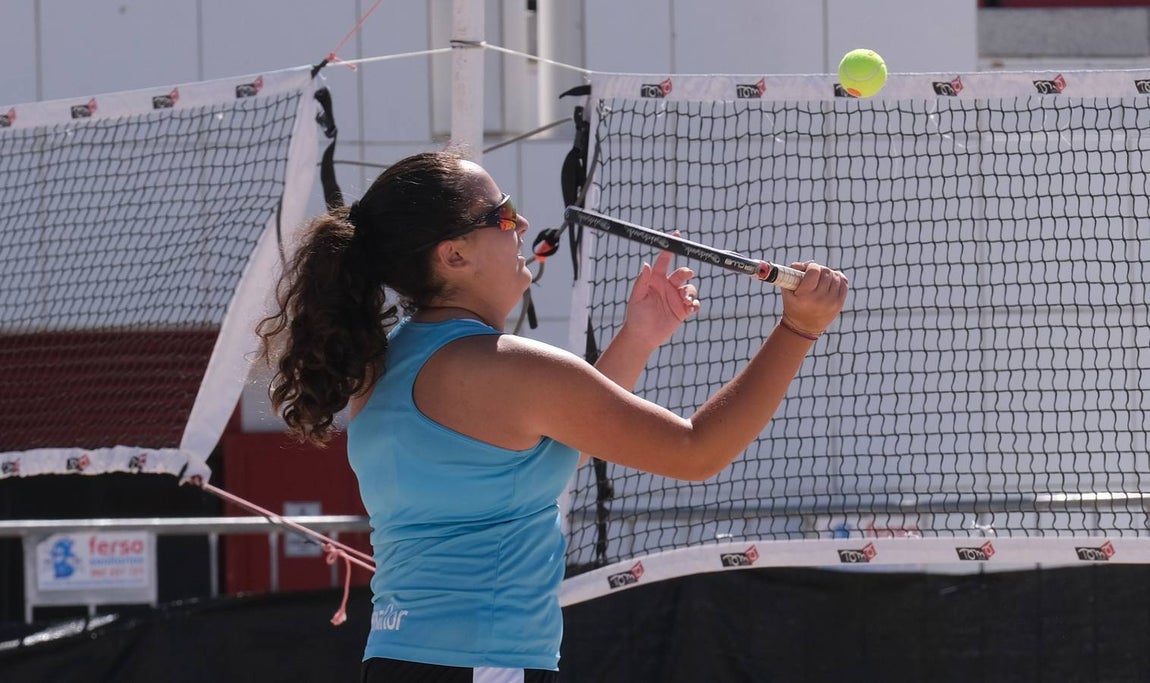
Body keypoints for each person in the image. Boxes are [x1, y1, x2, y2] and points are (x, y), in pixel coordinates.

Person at [258, 150, 847, 682]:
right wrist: (799, 327)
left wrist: (636, 339)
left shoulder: (384, 362)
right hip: (482, 664)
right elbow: (698, 453)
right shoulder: (506, 367)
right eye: (503, 216)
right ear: (454, 254)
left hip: (399, 657)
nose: (519, 227)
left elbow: (553, 446)